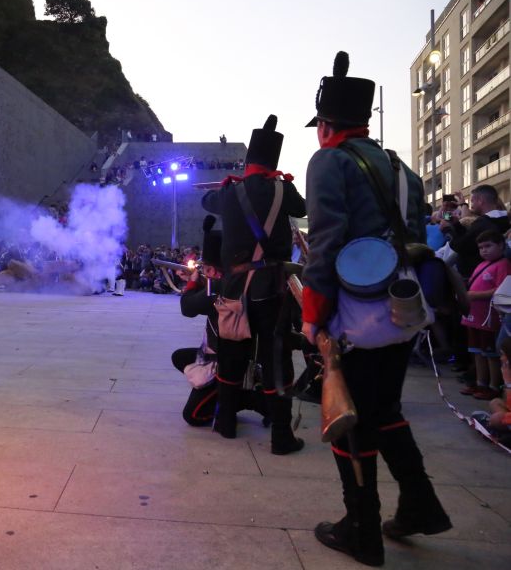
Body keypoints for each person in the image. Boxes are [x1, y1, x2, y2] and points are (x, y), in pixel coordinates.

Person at [301, 52, 451, 567]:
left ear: (325, 125)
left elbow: (325, 241)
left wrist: (311, 313)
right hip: (404, 306)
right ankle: (420, 505)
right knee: (385, 409)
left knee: (350, 418)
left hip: (355, 312)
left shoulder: (328, 161)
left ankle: (361, 528)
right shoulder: (402, 167)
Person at [202, 114, 306, 454]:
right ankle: (280, 435)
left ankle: (226, 421)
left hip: (234, 287)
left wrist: (226, 188)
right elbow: (302, 207)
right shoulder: (283, 188)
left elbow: (207, 203)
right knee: (277, 359)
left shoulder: (231, 191)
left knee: (231, 353)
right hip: (272, 287)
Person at [174, 216, 268, 426]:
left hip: (226, 362)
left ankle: (248, 399)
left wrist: (191, 285)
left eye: (206, 268)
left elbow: (187, 308)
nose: (203, 271)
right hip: (236, 355)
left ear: (215, 270)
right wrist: (196, 284)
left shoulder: (217, 288)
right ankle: (223, 394)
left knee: (193, 416)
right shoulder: (235, 282)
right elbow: (207, 304)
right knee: (179, 357)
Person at [459, 230, 509, 400]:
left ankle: (493, 386)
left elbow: (501, 290)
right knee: (477, 352)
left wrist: (474, 295)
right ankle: (481, 383)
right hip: (474, 316)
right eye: (481, 247)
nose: (484, 250)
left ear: (501, 245)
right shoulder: (481, 265)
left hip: (489, 318)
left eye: (488, 246)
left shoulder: (503, 265)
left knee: (491, 354)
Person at [441, 185, 510, 279]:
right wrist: (457, 225)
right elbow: (469, 238)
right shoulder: (505, 219)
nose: (471, 205)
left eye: (472, 201)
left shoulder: (483, 223)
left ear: (480, 200)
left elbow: (460, 246)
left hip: (475, 276)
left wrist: (447, 229)